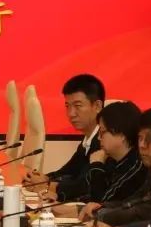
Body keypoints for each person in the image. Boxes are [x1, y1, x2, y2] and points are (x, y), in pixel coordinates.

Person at [85, 104, 151, 226]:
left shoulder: (138, 165)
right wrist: (100, 208)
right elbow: (134, 201)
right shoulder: (150, 168)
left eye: (102, 132)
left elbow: (146, 211)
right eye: (140, 138)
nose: (142, 145)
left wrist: (100, 214)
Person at [25, 73, 105, 202]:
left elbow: (83, 186)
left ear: (97, 106)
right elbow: (68, 171)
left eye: (77, 106)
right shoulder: (88, 140)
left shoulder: (103, 143)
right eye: (67, 106)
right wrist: (43, 178)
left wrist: (47, 185)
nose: (71, 113)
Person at [83, 101, 149, 206]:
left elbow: (101, 204)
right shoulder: (111, 160)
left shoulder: (136, 166)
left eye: (102, 132)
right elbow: (85, 191)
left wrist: (96, 166)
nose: (99, 138)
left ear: (122, 135)